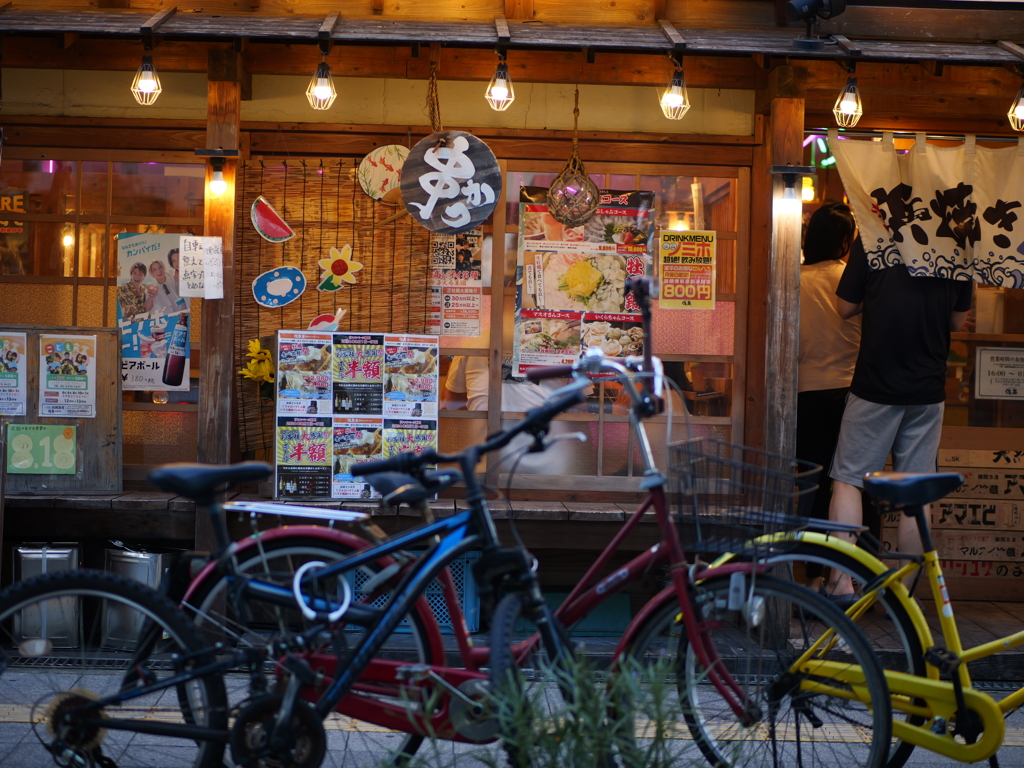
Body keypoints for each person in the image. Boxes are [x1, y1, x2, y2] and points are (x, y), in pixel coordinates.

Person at [824, 235, 973, 602]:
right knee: (917, 493)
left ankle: (840, 583)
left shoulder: (875, 235)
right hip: (927, 389)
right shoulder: (958, 242)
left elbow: (844, 307)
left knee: (847, 480)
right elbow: (957, 320)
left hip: (875, 384)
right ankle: (902, 593)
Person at [795, 203, 861, 589]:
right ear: (844, 240)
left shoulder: (794, 280)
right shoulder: (852, 281)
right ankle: (847, 572)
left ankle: (813, 573)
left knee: (810, 484)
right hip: (850, 393)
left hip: (803, 393)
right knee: (848, 483)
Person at [443, 356, 586, 475]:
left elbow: (451, 402)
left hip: (488, 455)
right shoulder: (562, 344)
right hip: (549, 458)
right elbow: (582, 403)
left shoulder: (473, 343)